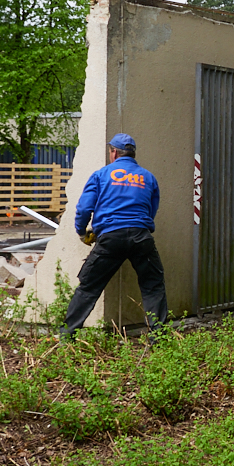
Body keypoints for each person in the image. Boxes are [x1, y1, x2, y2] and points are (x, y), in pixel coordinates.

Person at [63, 133, 168, 339]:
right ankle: (159, 338)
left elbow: (84, 208)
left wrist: (82, 231)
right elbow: (151, 210)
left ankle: (67, 336)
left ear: (113, 153)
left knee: (89, 287)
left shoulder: (101, 175)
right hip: (141, 237)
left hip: (111, 238)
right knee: (153, 286)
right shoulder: (148, 177)